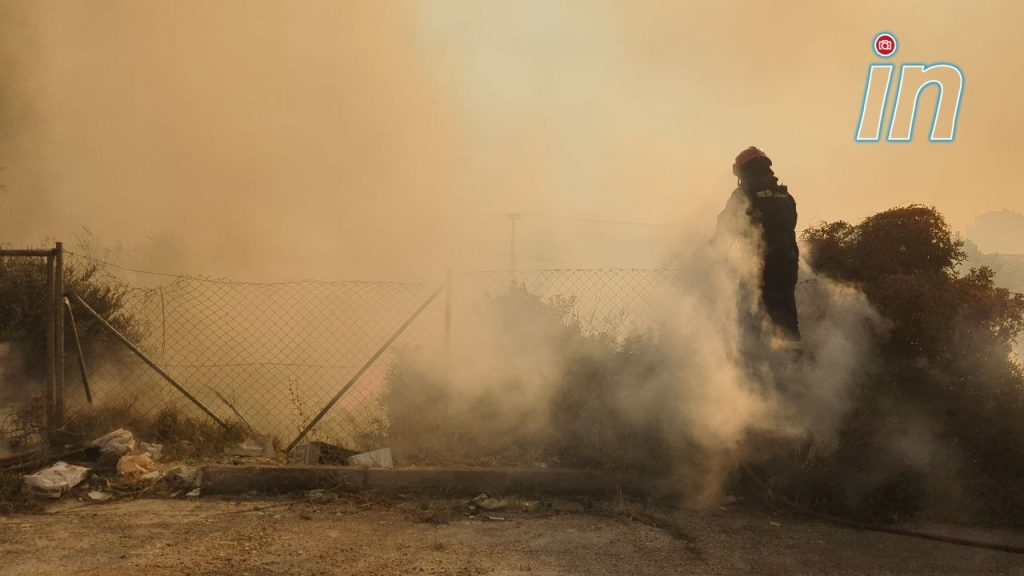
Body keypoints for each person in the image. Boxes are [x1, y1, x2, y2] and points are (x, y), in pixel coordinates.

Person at [717, 146, 801, 343]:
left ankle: (751, 368)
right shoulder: (785, 196)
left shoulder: (743, 196)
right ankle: (795, 368)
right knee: (786, 320)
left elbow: (725, 225)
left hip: (757, 265)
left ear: (743, 171)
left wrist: (713, 250)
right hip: (788, 264)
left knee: (749, 318)